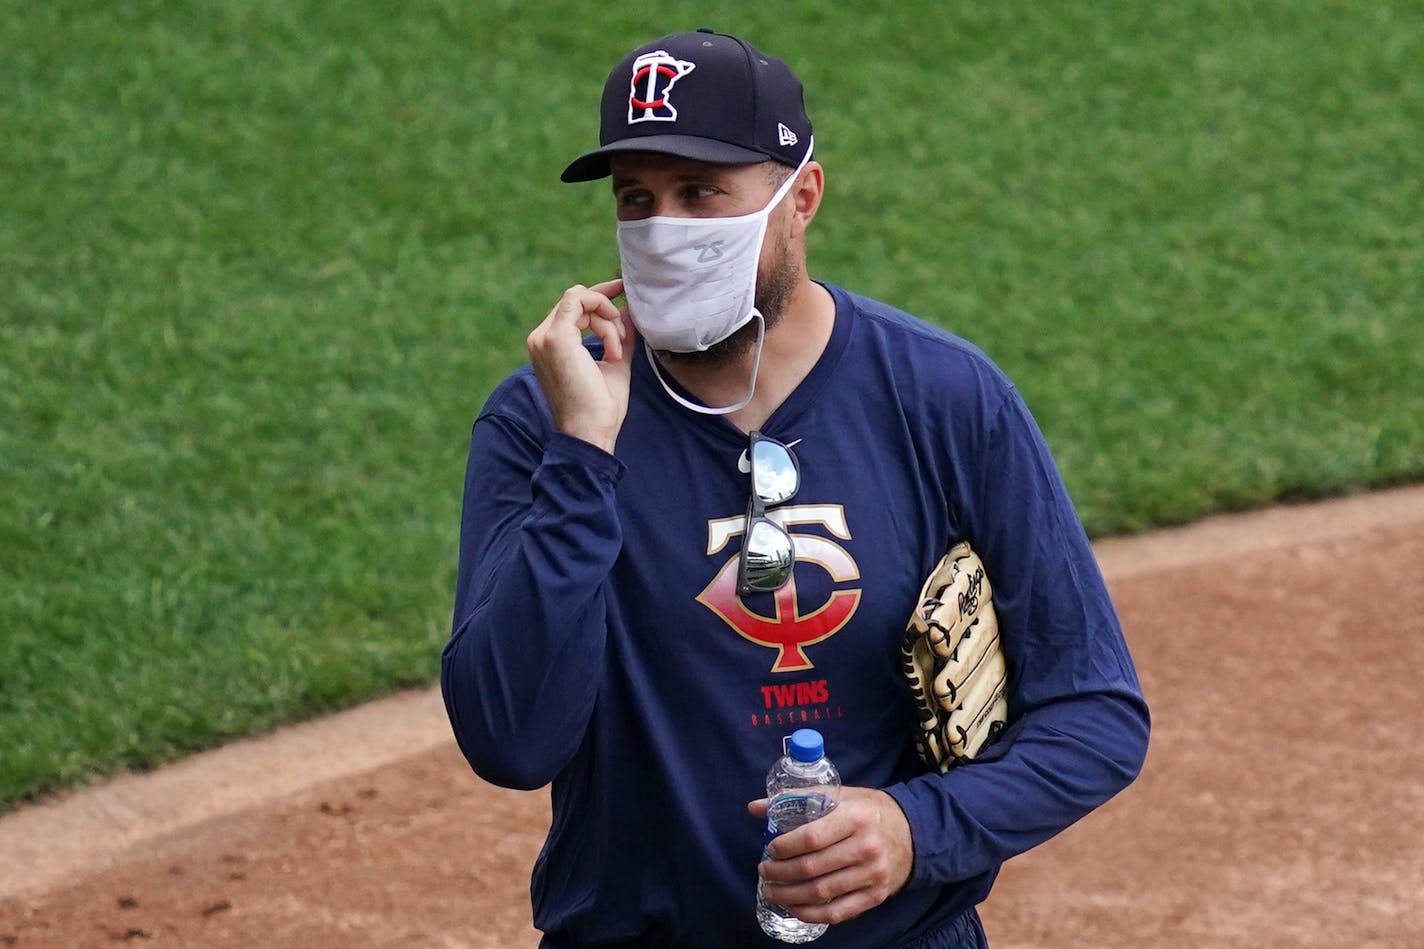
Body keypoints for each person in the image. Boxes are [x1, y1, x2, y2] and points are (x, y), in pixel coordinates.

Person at [442, 28, 1150, 949]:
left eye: (701, 193)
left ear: (799, 197)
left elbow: (1096, 712)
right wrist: (585, 454)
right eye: (637, 199)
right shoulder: (541, 422)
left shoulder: (944, 398)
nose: (666, 228)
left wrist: (914, 829)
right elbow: (509, 738)